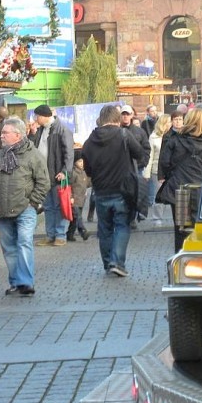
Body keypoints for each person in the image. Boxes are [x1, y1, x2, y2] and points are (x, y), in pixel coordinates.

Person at [0, 117, 50, 296]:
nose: (2, 136)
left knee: (23, 242)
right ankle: (15, 283)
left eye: (5, 133)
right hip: (2, 210)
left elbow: (44, 182)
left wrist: (33, 203)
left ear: (18, 135)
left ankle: (26, 283)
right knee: (9, 248)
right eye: (2, 133)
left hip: (25, 208)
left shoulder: (32, 154)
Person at [82, 105, 145, 277]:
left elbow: (87, 169)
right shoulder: (123, 134)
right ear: (117, 119)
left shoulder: (89, 141)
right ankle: (117, 262)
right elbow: (140, 154)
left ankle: (108, 263)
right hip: (122, 190)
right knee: (122, 225)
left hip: (101, 190)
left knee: (105, 229)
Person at [157, 108, 202, 251]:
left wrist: (173, 174)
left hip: (180, 190)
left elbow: (164, 163)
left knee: (181, 231)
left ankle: (180, 261)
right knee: (200, 229)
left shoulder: (175, 140)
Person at [32, 104, 75, 246]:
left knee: (60, 205)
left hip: (57, 175)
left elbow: (69, 154)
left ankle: (60, 235)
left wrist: (65, 172)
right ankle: (50, 235)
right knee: (49, 207)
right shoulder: (40, 130)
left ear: (44, 116)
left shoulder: (62, 130)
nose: (35, 119)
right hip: (43, 176)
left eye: (37, 116)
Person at [143, 113, 171, 224]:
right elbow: (150, 156)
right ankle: (157, 218)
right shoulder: (154, 137)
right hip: (157, 170)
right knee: (158, 195)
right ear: (163, 123)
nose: (171, 124)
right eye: (169, 122)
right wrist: (147, 173)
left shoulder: (174, 136)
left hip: (171, 170)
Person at [66, 152, 91, 242]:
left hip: (81, 200)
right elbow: (69, 185)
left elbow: (88, 183)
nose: (81, 163)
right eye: (79, 161)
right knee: (78, 216)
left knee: (75, 218)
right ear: (75, 162)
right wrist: (71, 196)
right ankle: (83, 231)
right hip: (74, 200)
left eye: (82, 161)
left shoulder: (84, 173)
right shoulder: (73, 173)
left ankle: (69, 234)